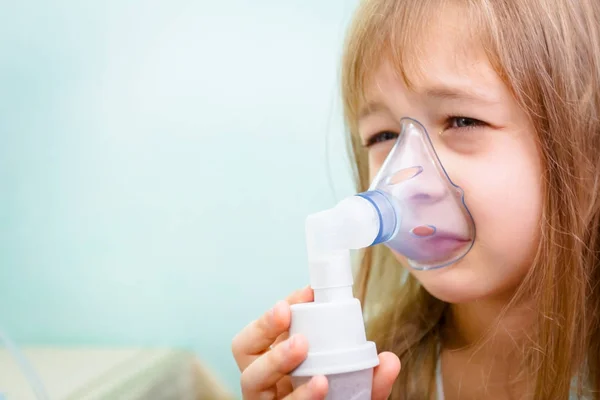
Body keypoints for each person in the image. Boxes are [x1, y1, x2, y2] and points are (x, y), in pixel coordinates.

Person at [231, 0, 600, 398]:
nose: (410, 184)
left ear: (587, 146)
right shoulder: (381, 374)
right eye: (383, 137)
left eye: (463, 121)